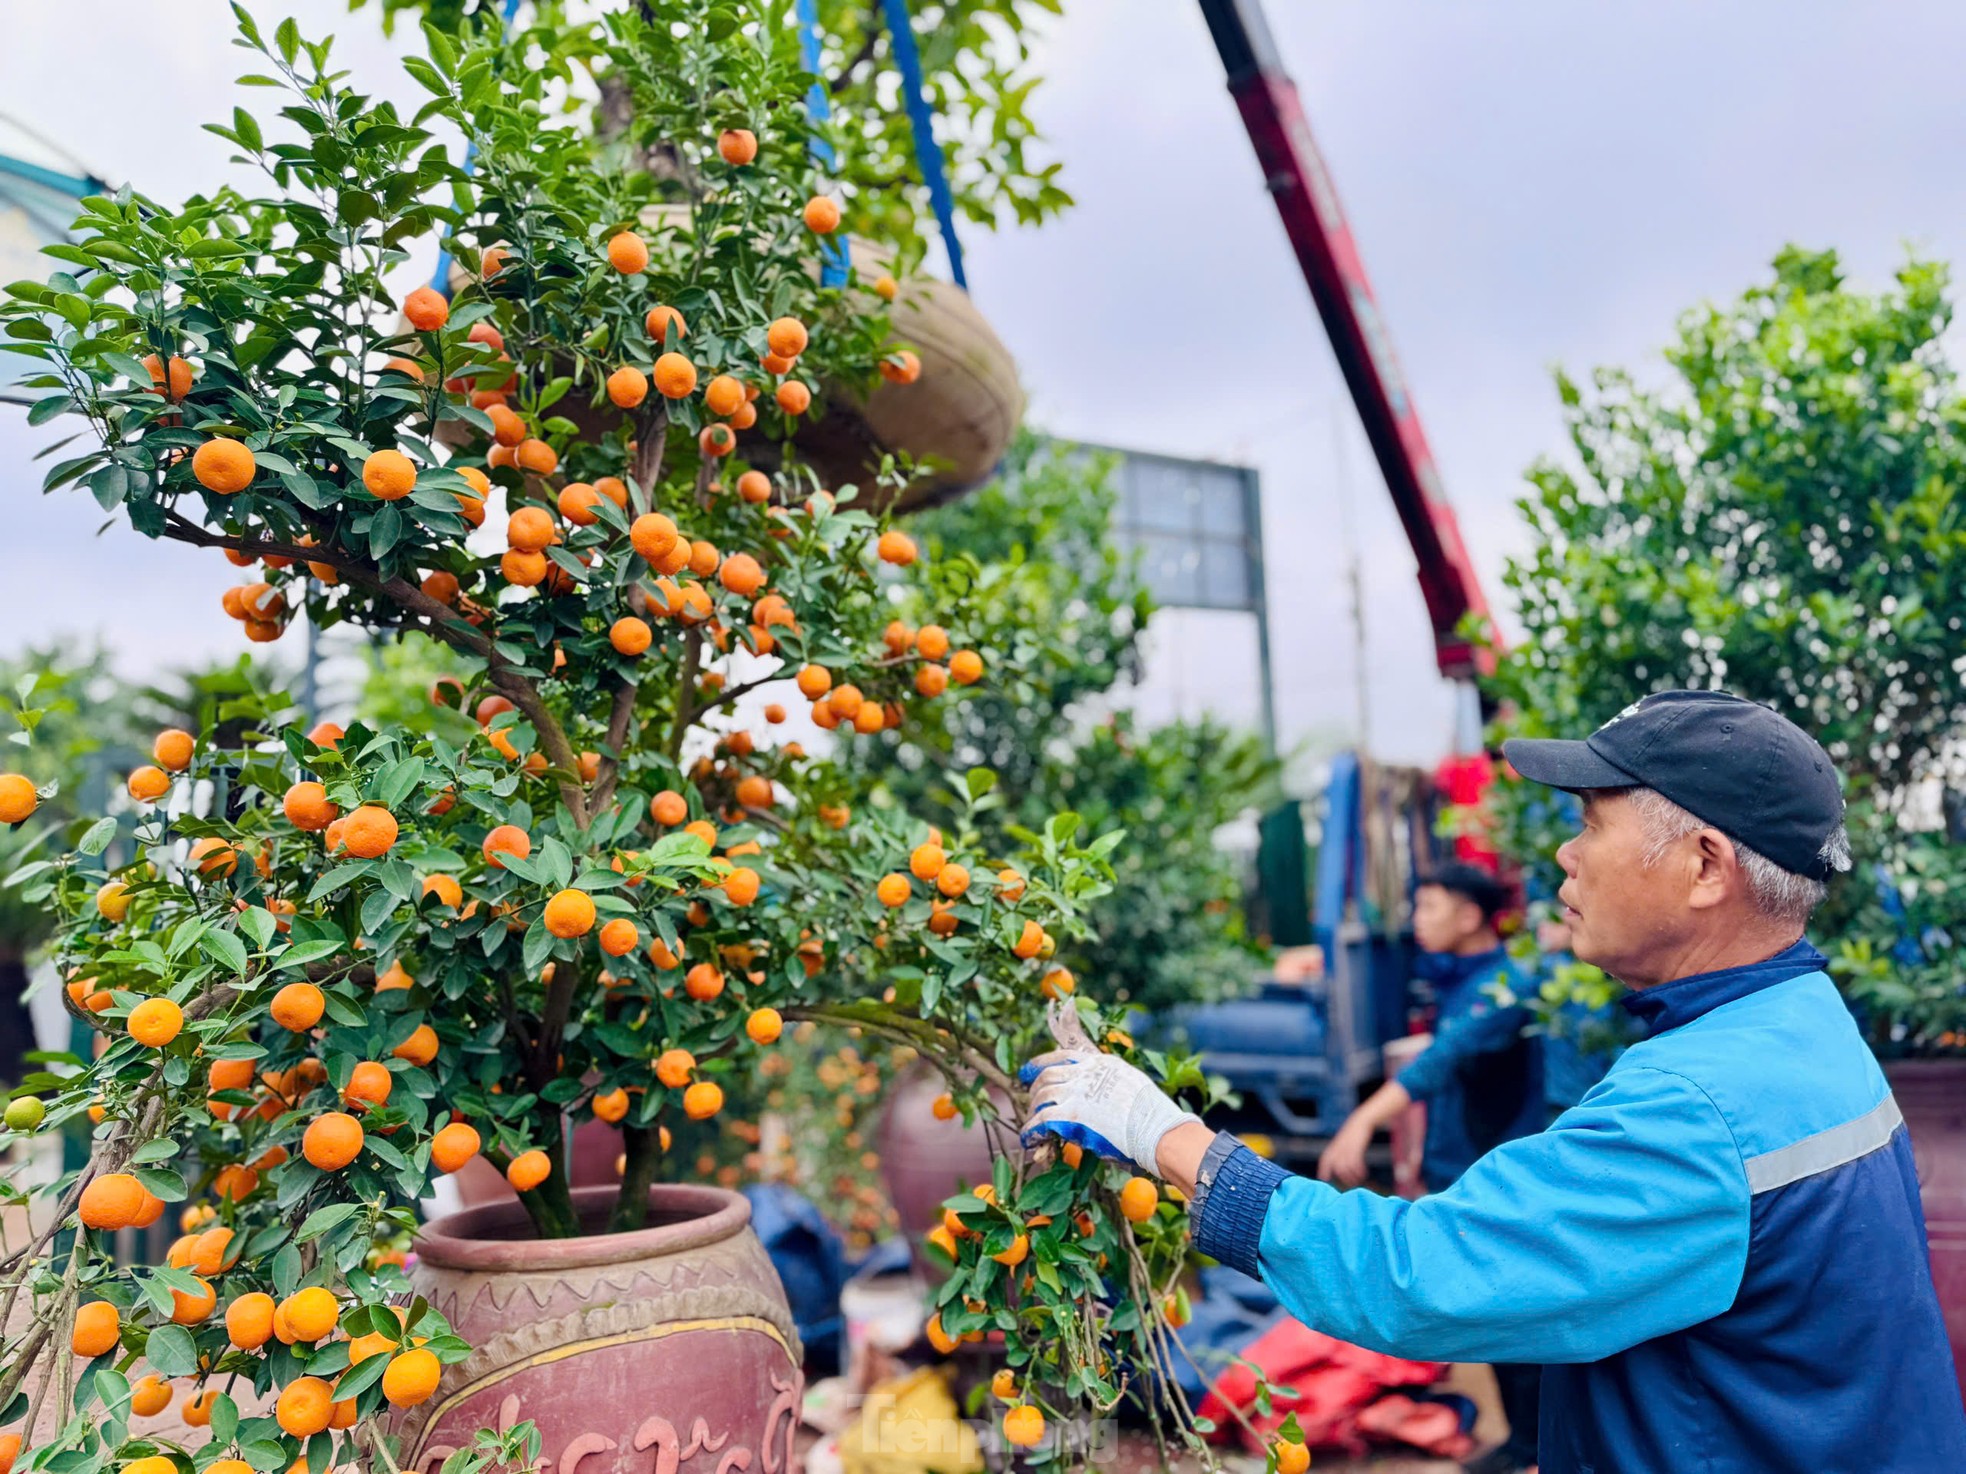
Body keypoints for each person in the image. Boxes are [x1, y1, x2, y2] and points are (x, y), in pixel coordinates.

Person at [1021, 691, 1966, 1473]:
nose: (1564, 854)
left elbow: (1419, 1274)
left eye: (1591, 823)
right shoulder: (1804, 1025)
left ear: (1705, 866)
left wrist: (1158, 1130)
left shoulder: (1701, 1105)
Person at [1313, 863, 1544, 1472]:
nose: (1417, 921)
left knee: (1512, 1324)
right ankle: (1524, 1443)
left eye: (1429, 907)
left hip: (1496, 1184)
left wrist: (1363, 1119)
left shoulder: (1503, 987)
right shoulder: (1461, 978)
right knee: (1489, 1319)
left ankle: (1531, 1449)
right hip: (1463, 1175)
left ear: (1470, 916)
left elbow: (1442, 1060)